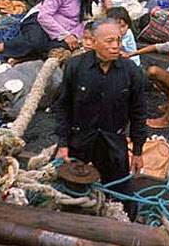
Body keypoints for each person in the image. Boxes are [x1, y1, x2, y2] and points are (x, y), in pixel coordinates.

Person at [53, 19, 147, 216]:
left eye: (118, 40)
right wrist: (62, 144)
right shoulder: (75, 67)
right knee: (68, 194)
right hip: (79, 140)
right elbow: (63, 108)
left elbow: (138, 114)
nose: (115, 46)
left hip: (113, 143)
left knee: (122, 199)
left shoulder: (131, 72)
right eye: (109, 41)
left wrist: (137, 151)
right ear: (93, 42)